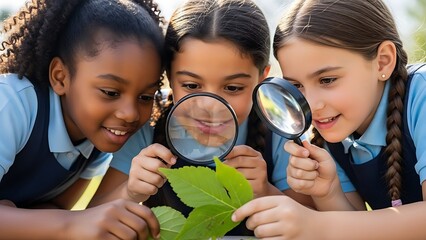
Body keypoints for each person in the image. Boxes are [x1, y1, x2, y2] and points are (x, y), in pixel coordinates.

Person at [90, 0, 313, 236]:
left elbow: (311, 225)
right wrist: (130, 192)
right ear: (168, 78)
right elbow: (93, 219)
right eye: (191, 85)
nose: (210, 107)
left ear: (261, 78)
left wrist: (265, 191)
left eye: (233, 87)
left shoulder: (278, 131)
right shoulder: (149, 128)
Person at [232, 0, 426, 239]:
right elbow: (357, 231)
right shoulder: (331, 131)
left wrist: (318, 225)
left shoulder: (422, 95)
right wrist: (328, 193)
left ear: (383, 61)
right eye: (296, 86)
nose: (312, 106)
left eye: (327, 80)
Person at [0, 0, 165, 238]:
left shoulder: (94, 139)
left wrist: (128, 193)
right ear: (60, 77)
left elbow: (57, 210)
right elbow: (68, 223)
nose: (130, 113)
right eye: (110, 92)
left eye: (146, 96)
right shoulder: (12, 104)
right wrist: (68, 224)